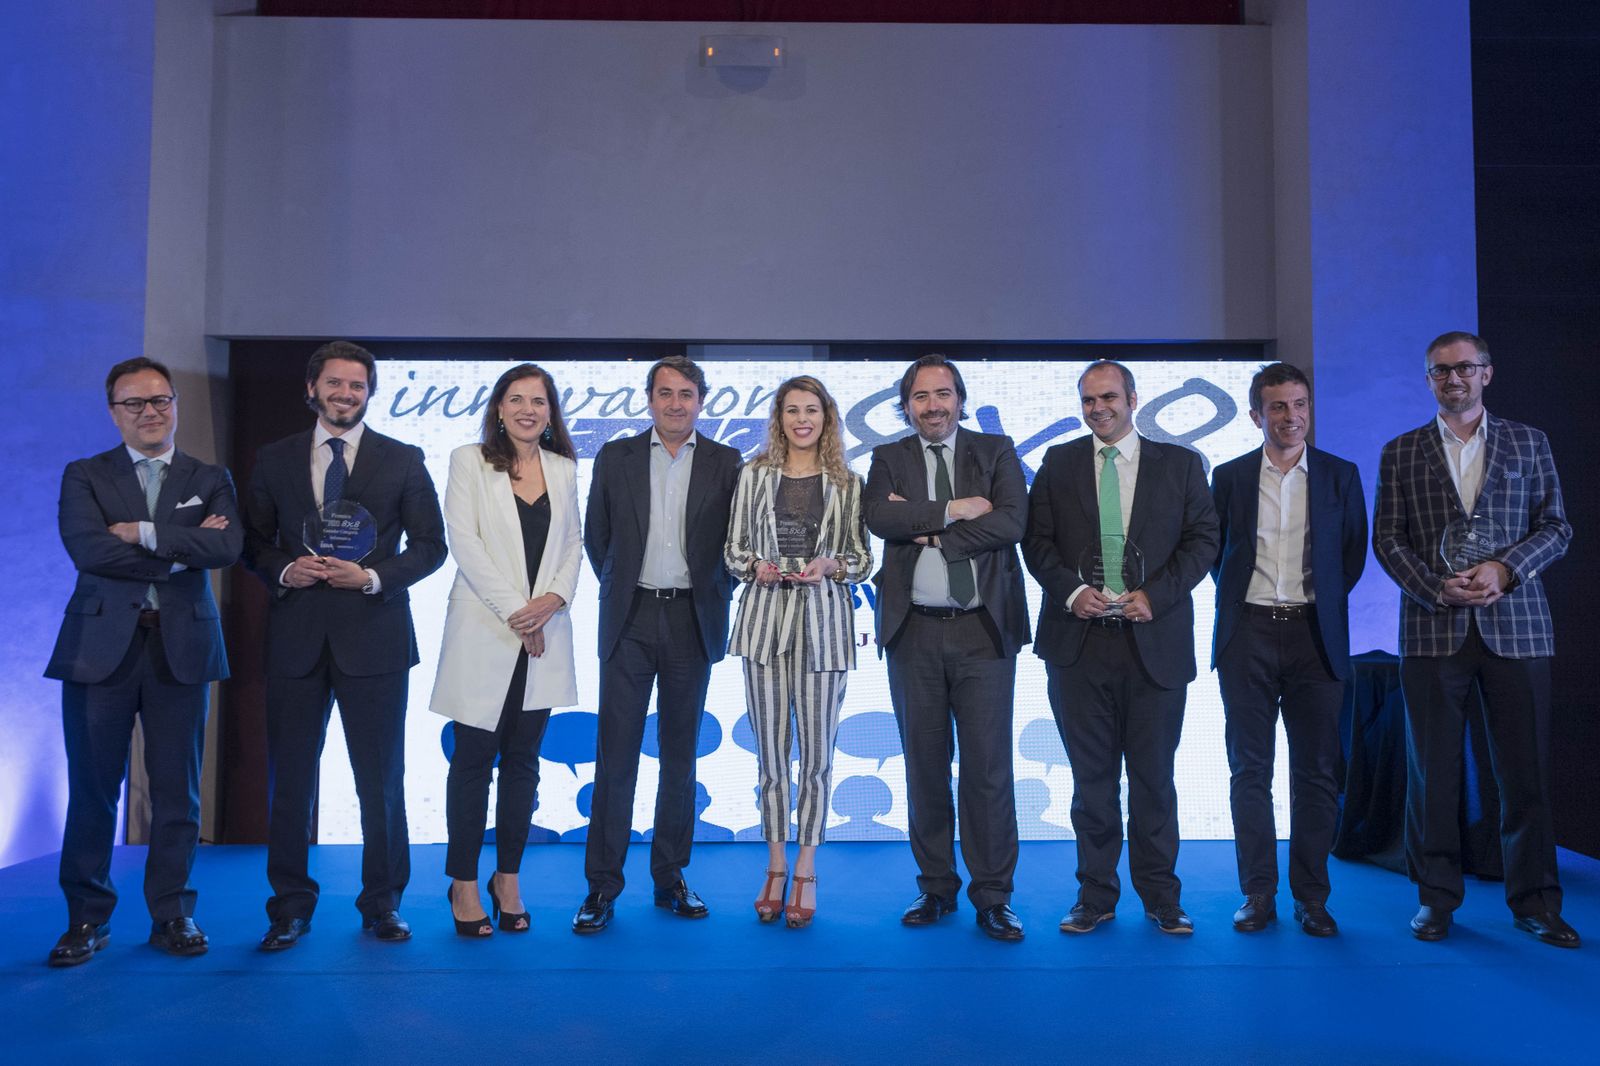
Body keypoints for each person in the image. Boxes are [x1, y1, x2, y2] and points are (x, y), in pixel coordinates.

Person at [1373, 331, 1578, 947]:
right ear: (1429, 380)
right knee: (1431, 775)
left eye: (1464, 368)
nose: (1453, 379)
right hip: (1433, 629)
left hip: (1517, 628)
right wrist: (1437, 587)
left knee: (1525, 776)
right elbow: (1388, 539)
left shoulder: (1529, 442)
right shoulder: (1401, 451)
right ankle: (1436, 900)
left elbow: (1558, 527)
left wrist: (1505, 569)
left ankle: (1536, 902)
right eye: (1440, 371)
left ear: (1487, 373)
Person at [243, 341, 446, 950]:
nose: (346, 394)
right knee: (292, 781)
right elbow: (252, 543)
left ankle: (383, 903)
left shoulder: (403, 459)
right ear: (312, 389)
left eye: (357, 386)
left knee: (381, 779)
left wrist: (375, 577)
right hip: (296, 639)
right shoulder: (273, 459)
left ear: (369, 393)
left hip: (375, 636)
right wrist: (283, 570)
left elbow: (431, 546)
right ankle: (290, 908)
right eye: (335, 383)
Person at [45, 358, 241, 966]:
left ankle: (173, 914)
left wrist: (142, 532)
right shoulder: (86, 475)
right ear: (114, 412)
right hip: (99, 649)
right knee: (93, 790)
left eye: (161, 400)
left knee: (177, 792)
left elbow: (227, 545)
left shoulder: (209, 476)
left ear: (175, 405)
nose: (150, 412)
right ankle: (86, 918)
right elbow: (88, 549)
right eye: (135, 403)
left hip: (180, 646)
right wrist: (182, 550)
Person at [1022, 360, 1217, 936]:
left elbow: (1204, 540)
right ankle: (1095, 895)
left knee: (1155, 778)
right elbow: (1037, 544)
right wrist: (1073, 591)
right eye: (1088, 400)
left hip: (1153, 644)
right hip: (1079, 646)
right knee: (1091, 783)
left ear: (1133, 398)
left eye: (1108, 396)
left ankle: (1162, 897)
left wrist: (1155, 596)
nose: (1098, 408)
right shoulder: (1058, 464)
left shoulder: (1180, 464)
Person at [864, 354, 1031, 941]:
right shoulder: (888, 458)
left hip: (983, 631)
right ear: (906, 404)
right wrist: (956, 511)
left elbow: (1012, 523)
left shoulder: (996, 450)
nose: (932, 406)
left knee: (988, 770)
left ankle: (993, 896)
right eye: (920, 396)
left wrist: (927, 529)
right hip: (913, 633)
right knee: (925, 768)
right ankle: (936, 887)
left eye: (943, 394)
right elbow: (879, 520)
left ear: (959, 398)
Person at [573, 355, 741, 933]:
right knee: (614, 757)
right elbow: (597, 538)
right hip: (631, 618)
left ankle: (670, 878)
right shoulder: (615, 457)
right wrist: (625, 589)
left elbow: (734, 545)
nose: (676, 404)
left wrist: (710, 592)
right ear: (649, 399)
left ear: (701, 401)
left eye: (686, 394)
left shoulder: (726, 462)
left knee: (679, 758)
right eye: (665, 393)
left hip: (693, 620)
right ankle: (602, 887)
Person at [1210, 362, 1366, 937]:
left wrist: (1312, 609)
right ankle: (1257, 893)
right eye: (1277, 406)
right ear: (1256, 415)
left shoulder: (1339, 476)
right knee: (1250, 770)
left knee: (1317, 773)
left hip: (1315, 637)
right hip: (1246, 633)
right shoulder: (1227, 478)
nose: (1291, 417)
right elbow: (1215, 557)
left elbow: (1350, 557)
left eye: (1299, 404)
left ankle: (1312, 897)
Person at [430, 364, 582, 936]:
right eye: (516, 399)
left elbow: (574, 545)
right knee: (472, 763)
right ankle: (463, 883)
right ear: (498, 408)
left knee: (523, 765)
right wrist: (521, 614)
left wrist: (553, 600)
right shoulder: (469, 460)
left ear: (550, 412)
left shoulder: (566, 469)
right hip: (486, 632)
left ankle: (508, 879)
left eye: (538, 401)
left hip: (546, 635)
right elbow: (463, 543)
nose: (527, 409)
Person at [723, 375, 872, 928]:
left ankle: (807, 865)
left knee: (816, 758)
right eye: (792, 410)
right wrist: (753, 567)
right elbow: (733, 548)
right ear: (779, 418)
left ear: (826, 417)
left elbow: (862, 558)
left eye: (812, 410)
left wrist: (833, 566)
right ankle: (776, 864)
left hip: (824, 631)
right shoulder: (753, 475)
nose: (802, 419)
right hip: (763, 626)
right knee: (770, 758)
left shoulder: (848, 482)